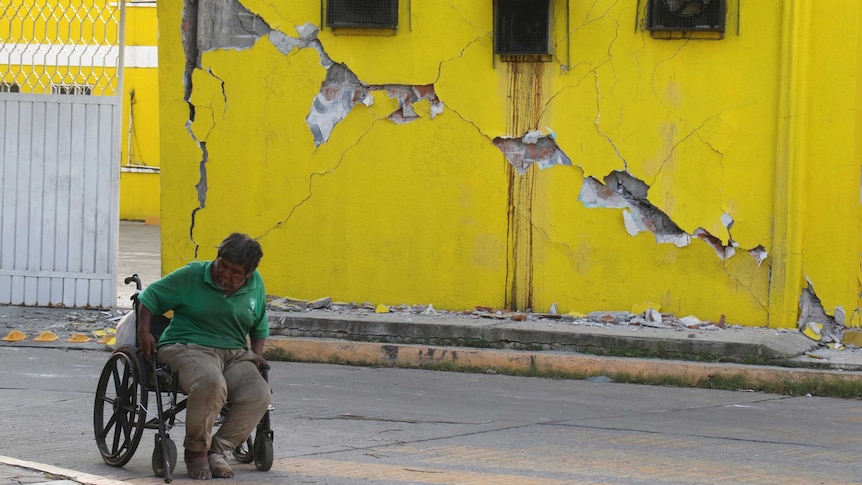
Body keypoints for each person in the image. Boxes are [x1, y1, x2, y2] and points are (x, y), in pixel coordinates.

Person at [137, 233, 271, 480]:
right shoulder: (193, 274)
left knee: (259, 394)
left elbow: (259, 325)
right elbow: (150, 297)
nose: (225, 274)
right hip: (187, 346)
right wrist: (144, 331)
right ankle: (196, 451)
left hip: (234, 352)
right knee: (211, 383)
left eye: (235, 272)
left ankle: (218, 451)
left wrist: (257, 354)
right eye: (223, 265)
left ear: (248, 274)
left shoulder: (256, 284)